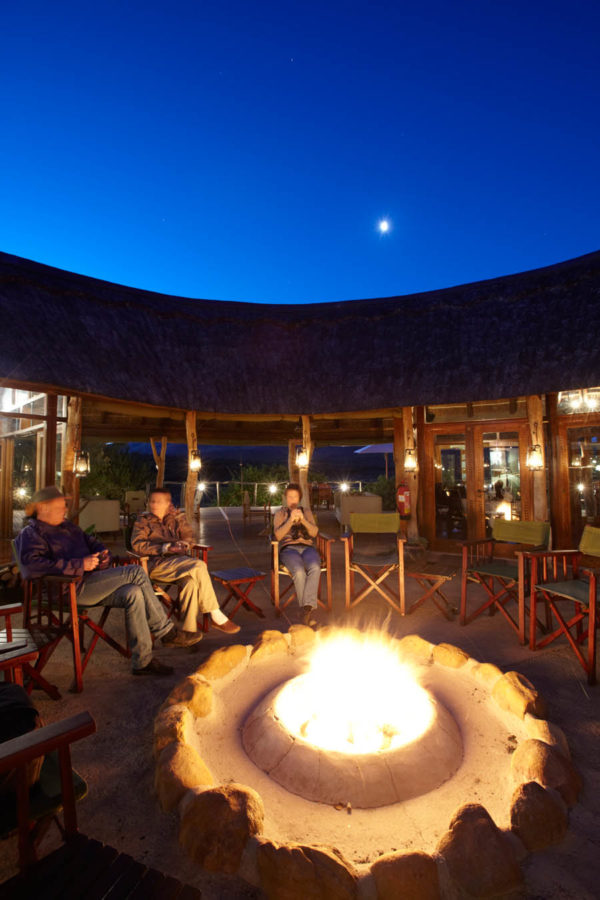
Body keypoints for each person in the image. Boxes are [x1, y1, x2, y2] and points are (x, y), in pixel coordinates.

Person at [15, 486, 201, 678]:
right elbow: (32, 567)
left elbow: (93, 543)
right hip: (65, 590)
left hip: (88, 583)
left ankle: (142, 662)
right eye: (60, 506)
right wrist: (79, 564)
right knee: (136, 572)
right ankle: (166, 632)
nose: (65, 510)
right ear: (43, 508)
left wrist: (103, 555)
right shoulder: (31, 534)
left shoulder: (68, 527)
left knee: (134, 593)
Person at [131, 488, 240, 635]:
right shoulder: (143, 521)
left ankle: (188, 632)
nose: (154, 504)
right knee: (199, 565)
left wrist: (182, 537)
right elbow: (137, 545)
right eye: (152, 501)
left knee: (191, 583)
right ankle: (215, 614)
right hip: (156, 565)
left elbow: (189, 537)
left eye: (158, 501)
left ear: (168, 503)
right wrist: (166, 547)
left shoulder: (174, 519)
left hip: (180, 564)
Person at [273, 483, 320, 625]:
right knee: (299, 572)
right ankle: (307, 610)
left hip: (307, 548)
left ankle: (306, 609)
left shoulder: (306, 511)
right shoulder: (280, 514)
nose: (292, 500)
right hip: (289, 549)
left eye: (295, 497)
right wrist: (290, 520)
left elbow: (314, 533)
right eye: (290, 497)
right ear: (286, 498)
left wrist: (303, 520)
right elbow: (278, 536)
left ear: (299, 498)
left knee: (315, 568)